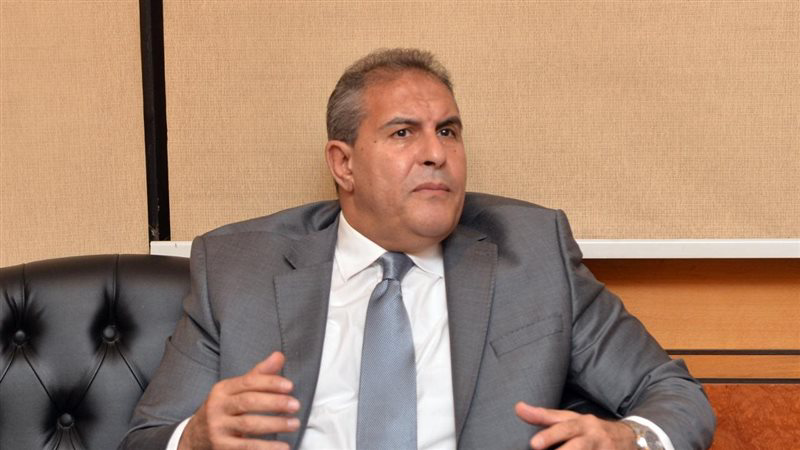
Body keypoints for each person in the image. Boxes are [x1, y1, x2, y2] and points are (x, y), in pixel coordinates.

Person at [121, 48, 715, 449]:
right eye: (403, 132)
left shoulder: (534, 254)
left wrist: (629, 439)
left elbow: (675, 396)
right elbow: (147, 437)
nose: (436, 153)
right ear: (344, 164)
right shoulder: (239, 267)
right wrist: (194, 438)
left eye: (448, 131)